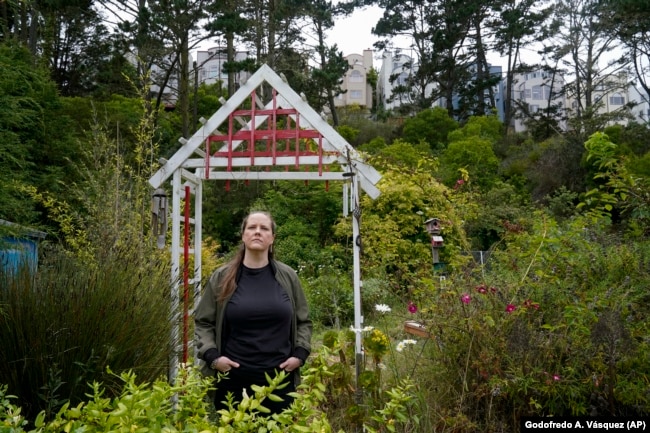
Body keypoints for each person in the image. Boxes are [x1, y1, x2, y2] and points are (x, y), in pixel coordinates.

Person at [194, 211, 312, 414]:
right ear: (243, 235)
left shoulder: (288, 277)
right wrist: (213, 357)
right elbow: (204, 322)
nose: (257, 232)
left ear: (272, 238)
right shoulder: (222, 277)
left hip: (278, 382)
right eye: (252, 227)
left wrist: (300, 355)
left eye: (264, 228)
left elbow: (303, 321)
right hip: (232, 381)